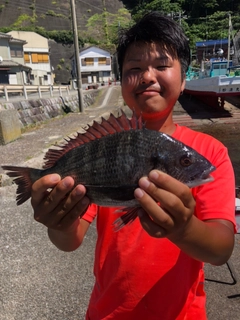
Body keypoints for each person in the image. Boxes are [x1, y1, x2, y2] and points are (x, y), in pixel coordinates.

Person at [31, 12, 236, 320]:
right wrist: (56, 222)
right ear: (122, 81)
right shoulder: (102, 147)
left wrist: (184, 228)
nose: (148, 76)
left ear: (184, 80)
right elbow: (69, 240)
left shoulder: (211, 152)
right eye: (134, 68)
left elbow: (220, 250)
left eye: (162, 66)